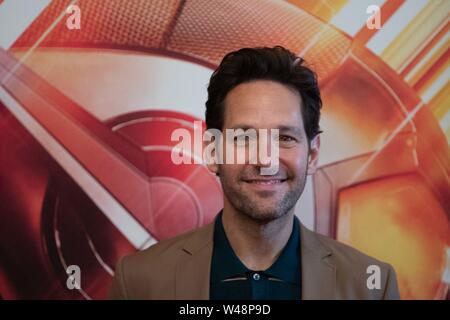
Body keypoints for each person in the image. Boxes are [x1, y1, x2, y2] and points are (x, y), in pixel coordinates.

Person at [109, 46, 400, 300]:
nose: (266, 160)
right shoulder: (138, 282)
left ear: (312, 155)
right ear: (213, 151)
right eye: (244, 137)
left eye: (285, 137)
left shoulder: (372, 287)